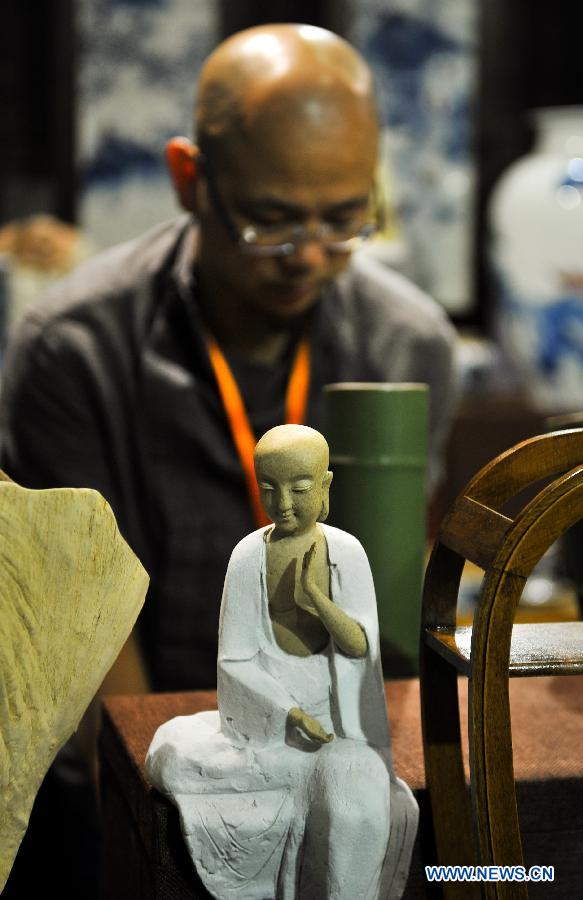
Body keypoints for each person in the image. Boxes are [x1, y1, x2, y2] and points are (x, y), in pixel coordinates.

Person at [0, 23, 457, 696]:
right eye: (270, 220)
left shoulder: (406, 343)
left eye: (341, 220)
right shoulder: (74, 347)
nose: (307, 257)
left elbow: (386, 599)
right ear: (190, 179)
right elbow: (81, 638)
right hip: (142, 745)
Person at [146, 425, 418, 900]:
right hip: (269, 732)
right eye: (269, 489)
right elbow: (235, 662)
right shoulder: (248, 556)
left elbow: (359, 647)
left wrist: (316, 599)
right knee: (172, 757)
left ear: (326, 486)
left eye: (300, 488)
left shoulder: (346, 553)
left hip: (336, 731)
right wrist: (288, 714)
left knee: (355, 801)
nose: (284, 503)